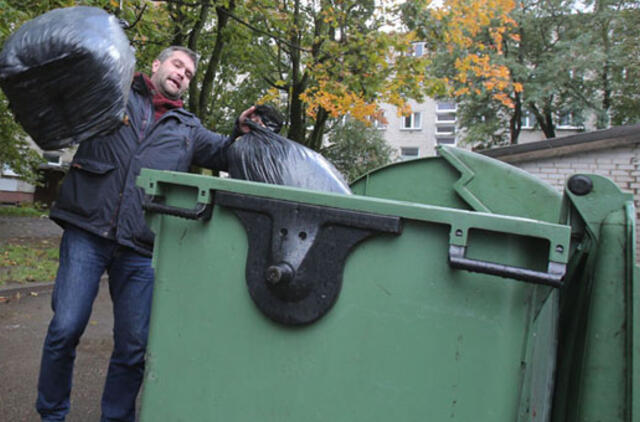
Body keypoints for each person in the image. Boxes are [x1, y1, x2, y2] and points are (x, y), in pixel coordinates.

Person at [36, 46, 257, 422]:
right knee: (65, 327)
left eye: (188, 73)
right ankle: (52, 413)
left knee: (134, 347)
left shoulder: (188, 128)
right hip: (88, 229)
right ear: (156, 65)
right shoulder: (112, 94)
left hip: (141, 245)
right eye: (177, 65)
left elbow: (224, 154)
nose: (182, 74)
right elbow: (68, 99)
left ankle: (117, 417)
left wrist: (240, 130)